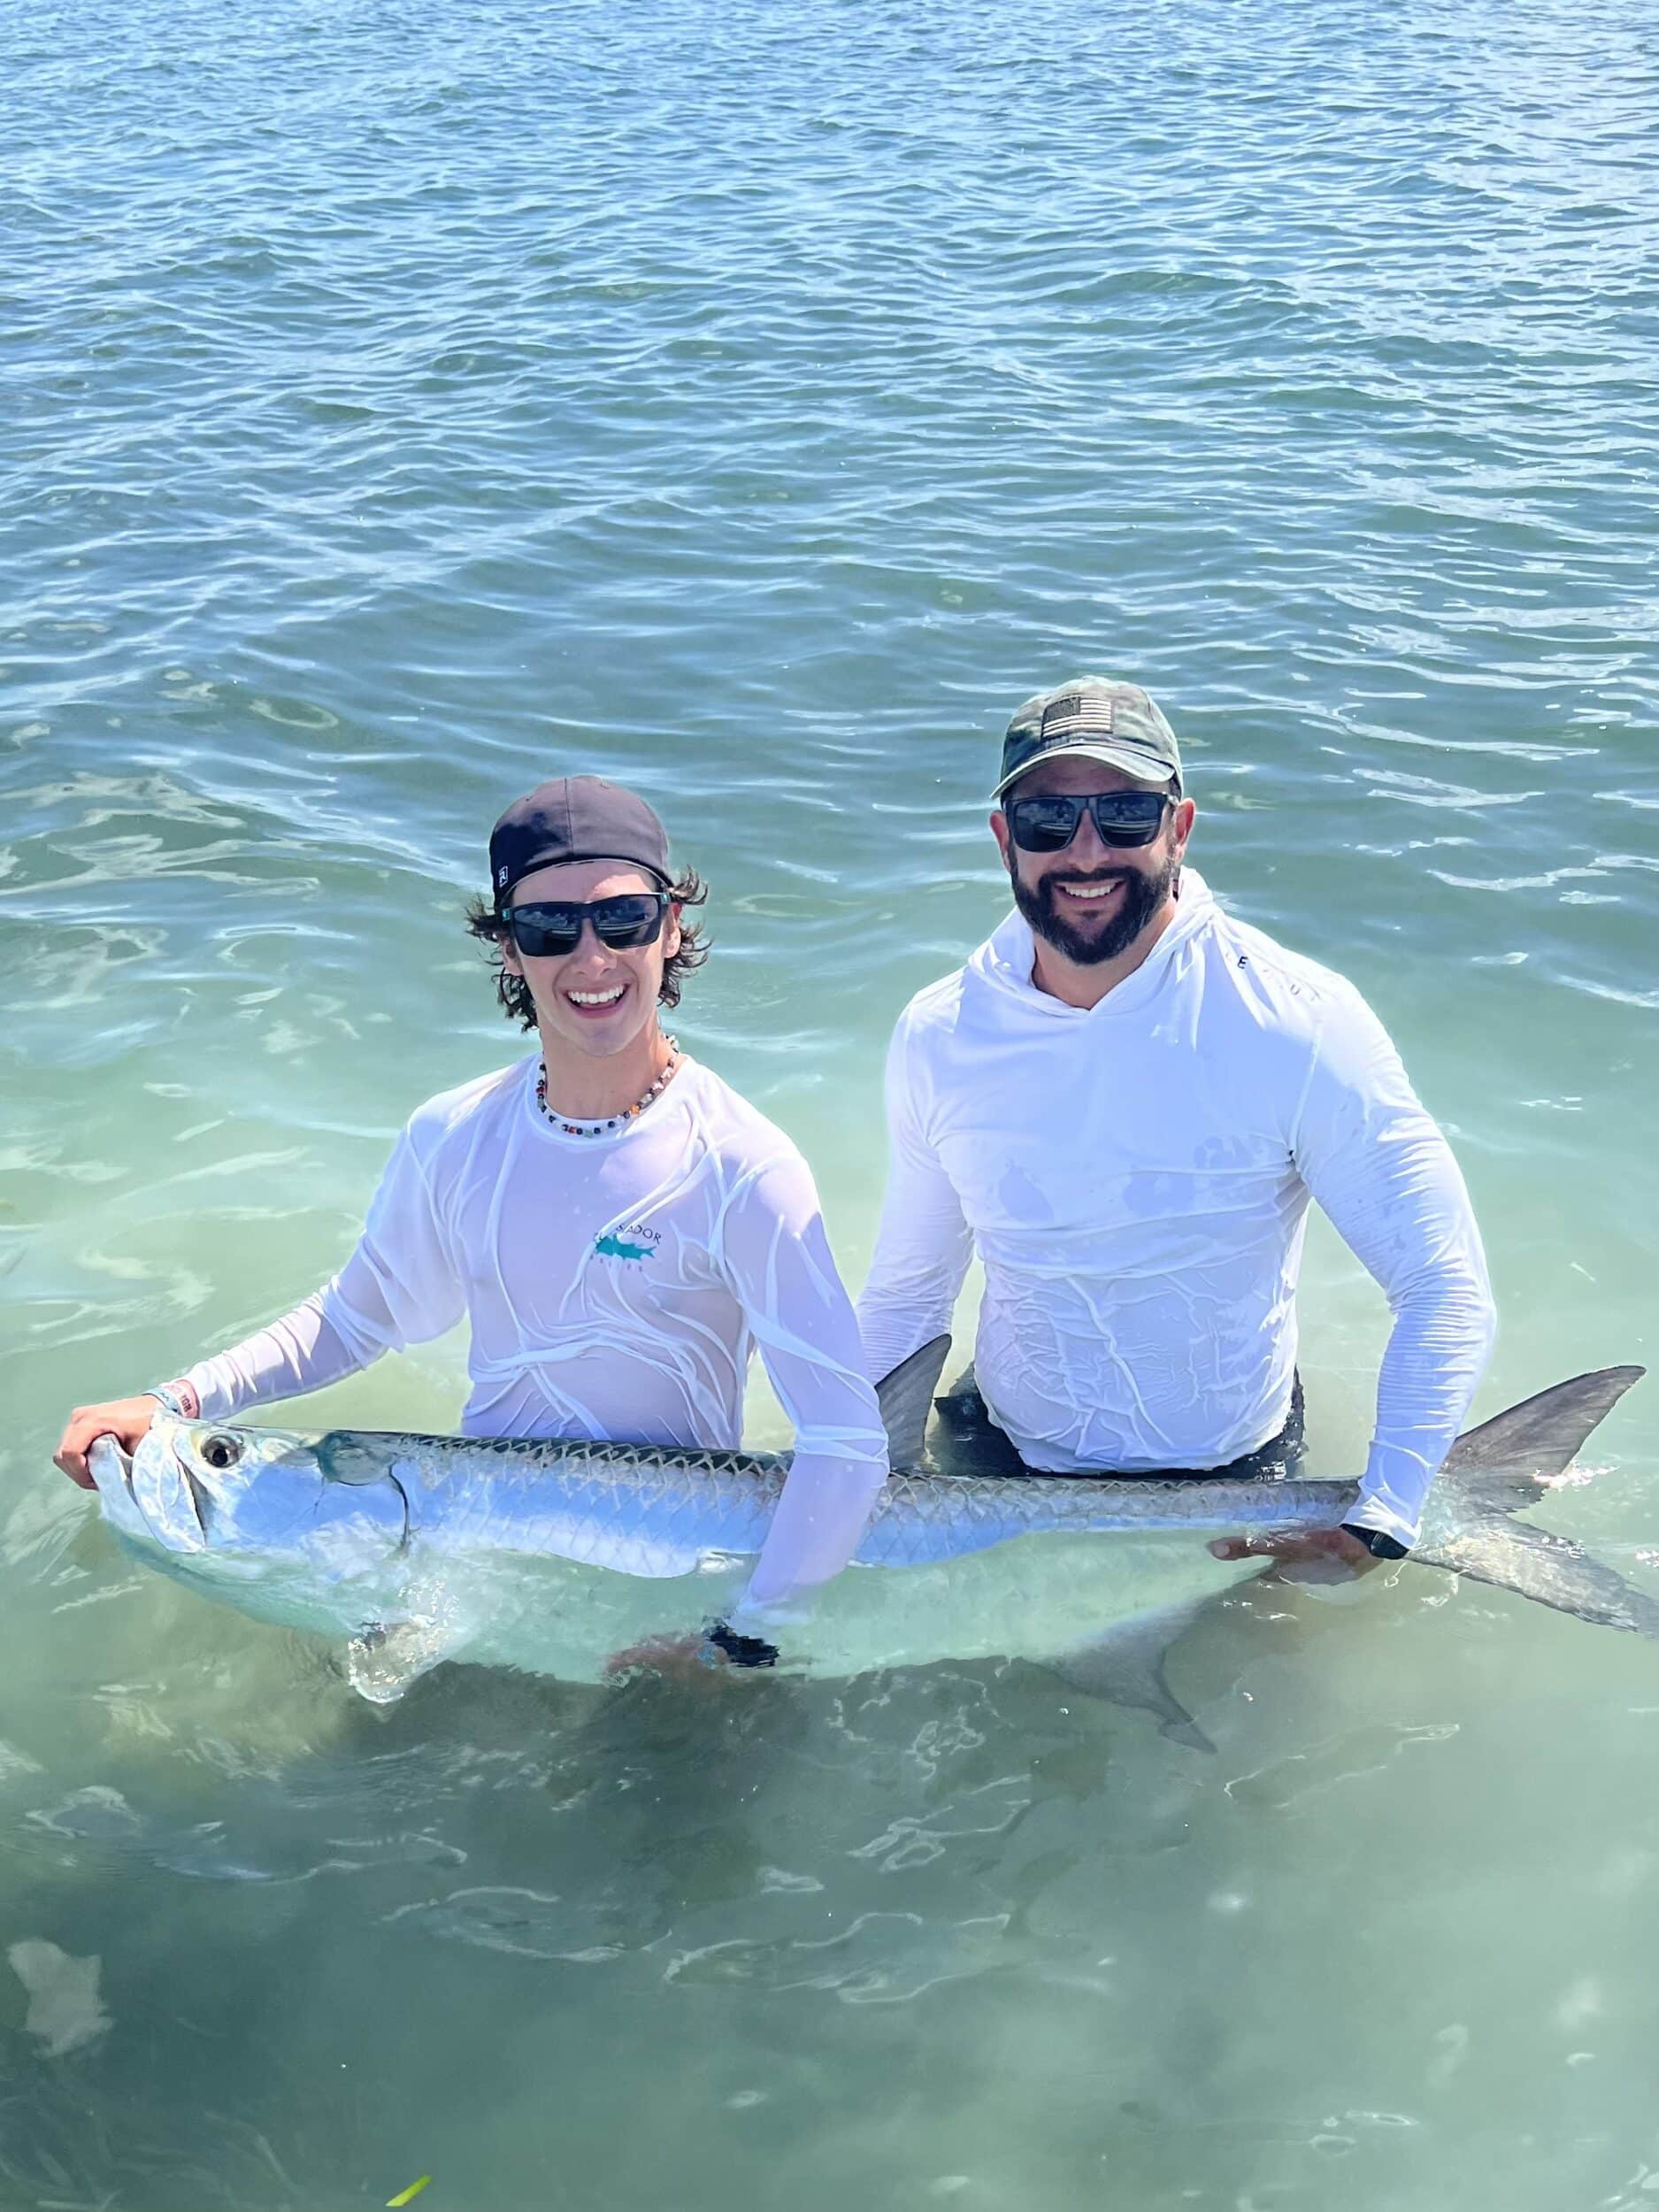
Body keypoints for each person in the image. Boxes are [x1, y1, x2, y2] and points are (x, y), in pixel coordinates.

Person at [56, 775, 888, 1664]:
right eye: (547, 927)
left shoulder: (742, 1166)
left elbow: (844, 1445)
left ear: (672, 927)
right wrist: (171, 1403)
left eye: (625, 919)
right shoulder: (452, 1135)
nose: (591, 957)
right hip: (470, 1565)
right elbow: (353, 1317)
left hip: (670, 1593)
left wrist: (742, 1638)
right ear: (509, 950)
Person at [856, 678, 1497, 1572]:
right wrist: (843, 1473)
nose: (1085, 852)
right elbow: (907, 1296)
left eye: (1123, 814)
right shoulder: (939, 1032)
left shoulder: (1296, 1022)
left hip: (1230, 1477)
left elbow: (1444, 1285)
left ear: (1180, 827)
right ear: (1005, 838)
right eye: (1049, 819)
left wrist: (1383, 1514)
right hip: (998, 1454)